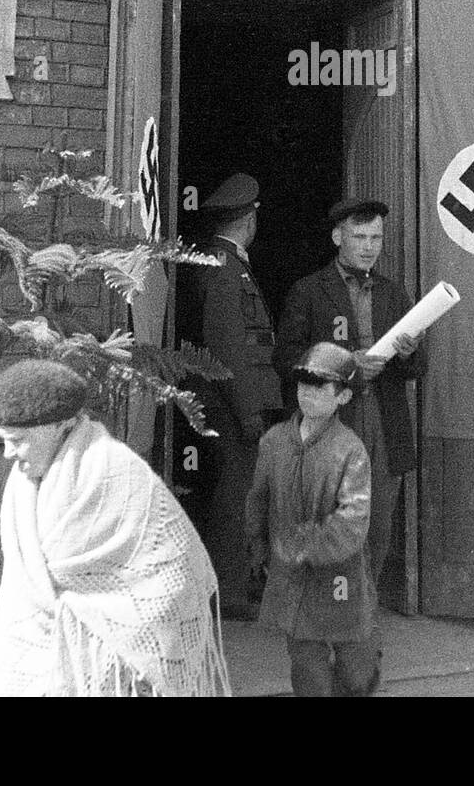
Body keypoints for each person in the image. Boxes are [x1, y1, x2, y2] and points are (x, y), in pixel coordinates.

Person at [0, 359, 231, 696]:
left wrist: (100, 626)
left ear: (59, 427)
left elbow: (177, 574)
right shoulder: (21, 486)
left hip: (122, 673)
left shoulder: (119, 475)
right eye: (3, 440)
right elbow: (22, 591)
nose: (8, 453)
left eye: (18, 440)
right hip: (39, 661)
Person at [274, 198, 426, 589]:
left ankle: (361, 617)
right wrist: (346, 364)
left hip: (384, 423)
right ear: (337, 237)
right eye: (359, 237)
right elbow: (286, 359)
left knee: (376, 527)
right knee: (330, 520)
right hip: (335, 421)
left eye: (376, 237)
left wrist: (408, 353)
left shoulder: (394, 293)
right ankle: (324, 613)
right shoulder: (308, 291)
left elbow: (417, 369)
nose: (369, 246)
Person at [175, 172, 282, 618]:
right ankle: (230, 590)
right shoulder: (224, 268)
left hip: (230, 400)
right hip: (229, 402)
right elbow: (228, 345)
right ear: (249, 220)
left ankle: (235, 584)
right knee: (235, 492)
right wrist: (249, 410)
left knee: (239, 490)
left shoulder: (226, 263)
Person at [246, 341, 379, 697]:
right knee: (307, 667)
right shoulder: (274, 442)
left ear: (344, 397)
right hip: (291, 577)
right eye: (304, 385)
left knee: (357, 673)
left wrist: (304, 545)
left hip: (341, 578)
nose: (308, 394)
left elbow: (354, 519)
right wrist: (259, 551)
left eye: (320, 386)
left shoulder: (349, 450)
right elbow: (258, 500)